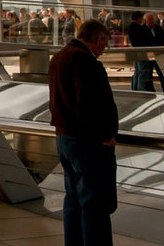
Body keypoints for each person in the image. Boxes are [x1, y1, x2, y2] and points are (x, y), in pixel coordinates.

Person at [49, 20, 118, 246]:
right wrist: (106, 135)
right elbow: (90, 104)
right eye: (104, 44)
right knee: (94, 203)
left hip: (64, 138)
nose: (103, 50)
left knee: (73, 198)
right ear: (98, 39)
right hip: (87, 142)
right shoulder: (86, 62)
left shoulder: (58, 58)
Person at [124, 11, 155, 92]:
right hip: (141, 52)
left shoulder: (131, 27)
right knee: (143, 71)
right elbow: (145, 39)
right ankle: (141, 88)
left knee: (137, 71)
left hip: (135, 52)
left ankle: (135, 89)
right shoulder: (139, 28)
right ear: (139, 18)